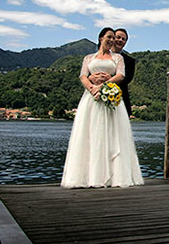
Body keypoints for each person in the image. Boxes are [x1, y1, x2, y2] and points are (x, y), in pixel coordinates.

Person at [61, 27, 144, 188]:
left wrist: (105, 84)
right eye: (110, 37)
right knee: (90, 134)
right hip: (91, 98)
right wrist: (92, 87)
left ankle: (115, 176)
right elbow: (83, 75)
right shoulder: (88, 58)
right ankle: (88, 176)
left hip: (111, 99)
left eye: (117, 38)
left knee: (114, 136)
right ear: (100, 38)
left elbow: (121, 76)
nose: (113, 40)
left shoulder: (118, 58)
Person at [90, 28, 135, 117]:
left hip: (119, 101)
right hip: (97, 99)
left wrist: (109, 79)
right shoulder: (97, 57)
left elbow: (127, 79)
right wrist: (91, 78)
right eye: (118, 37)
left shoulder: (130, 61)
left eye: (123, 39)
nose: (120, 40)